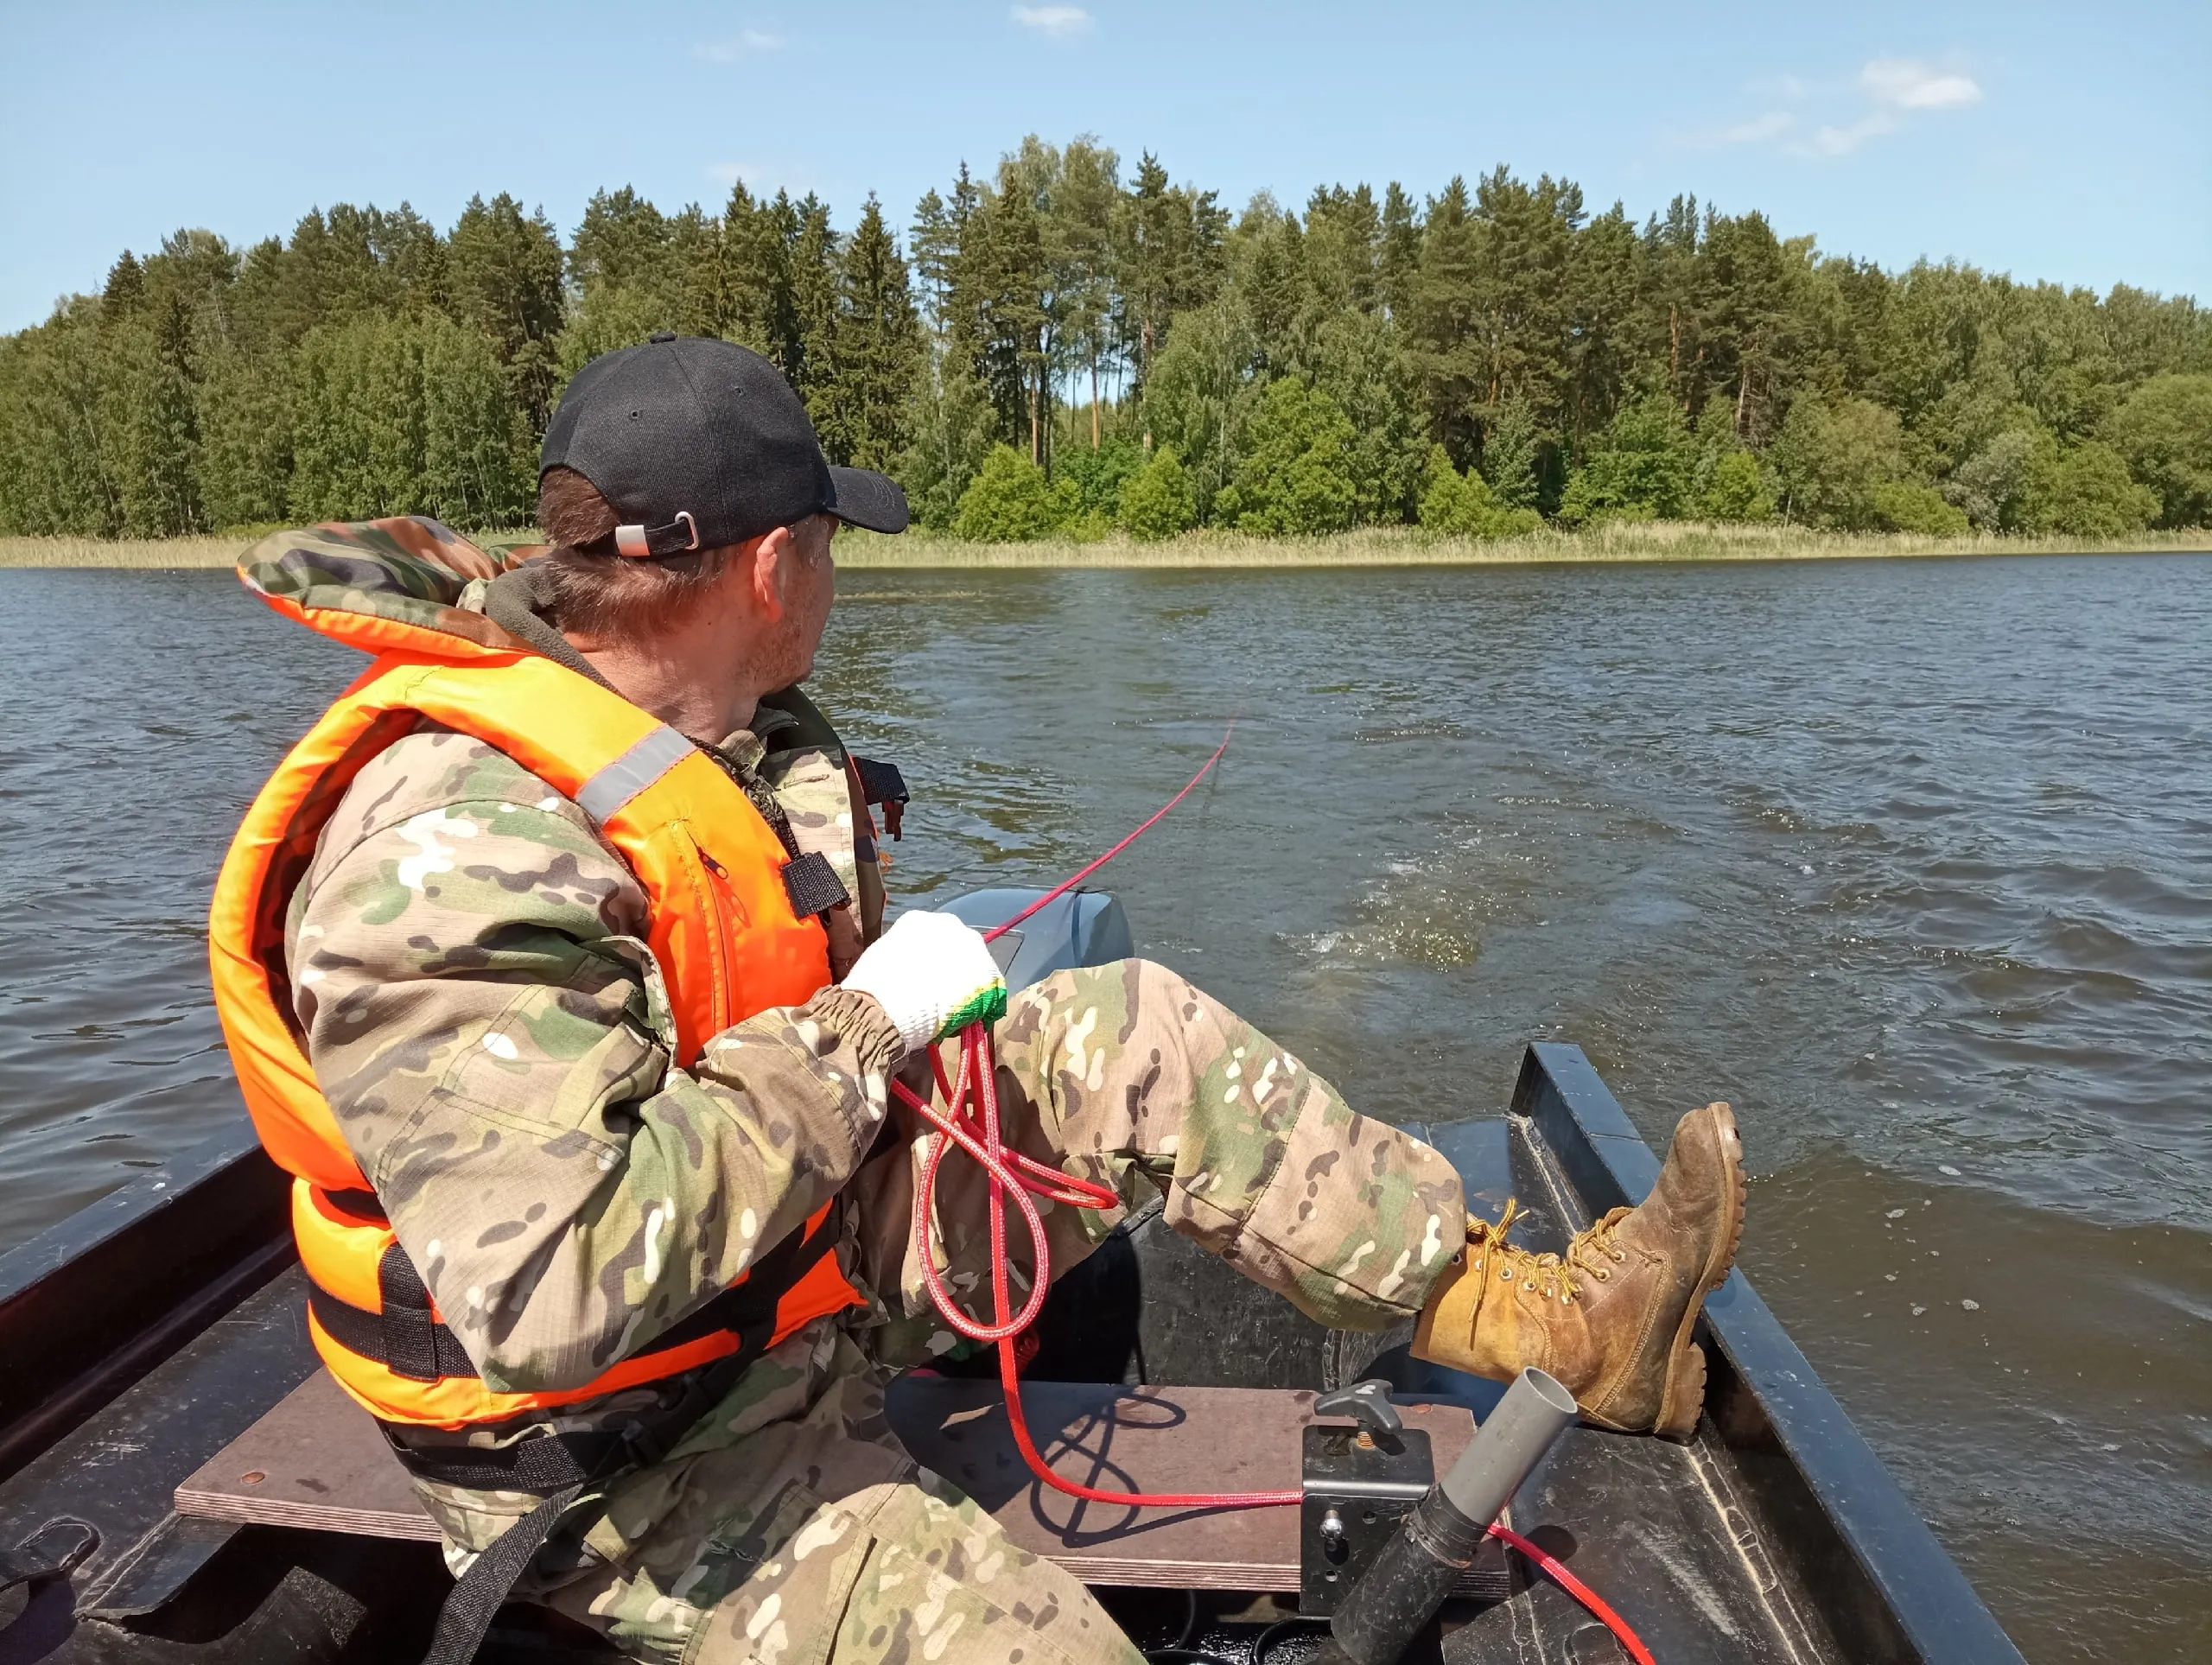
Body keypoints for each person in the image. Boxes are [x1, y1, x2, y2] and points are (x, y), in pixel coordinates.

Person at [209, 335, 1745, 1665]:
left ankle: (1563, 1326)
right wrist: (866, 1030)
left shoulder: (665, 712)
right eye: (829, 539)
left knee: (1124, 1031)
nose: (837, 570)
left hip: (762, 1288)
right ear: (765, 567)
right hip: (630, 1459)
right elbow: (556, 1287)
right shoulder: (451, 856)